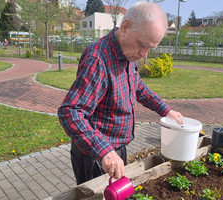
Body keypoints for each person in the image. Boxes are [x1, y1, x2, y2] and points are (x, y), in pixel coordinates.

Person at [57, 1, 183, 185]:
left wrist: (166, 111)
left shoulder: (128, 53)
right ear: (125, 27)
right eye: (142, 45)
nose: (144, 54)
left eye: (150, 48)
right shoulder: (98, 58)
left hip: (115, 148)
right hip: (96, 155)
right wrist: (104, 151)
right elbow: (70, 111)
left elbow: (138, 87)